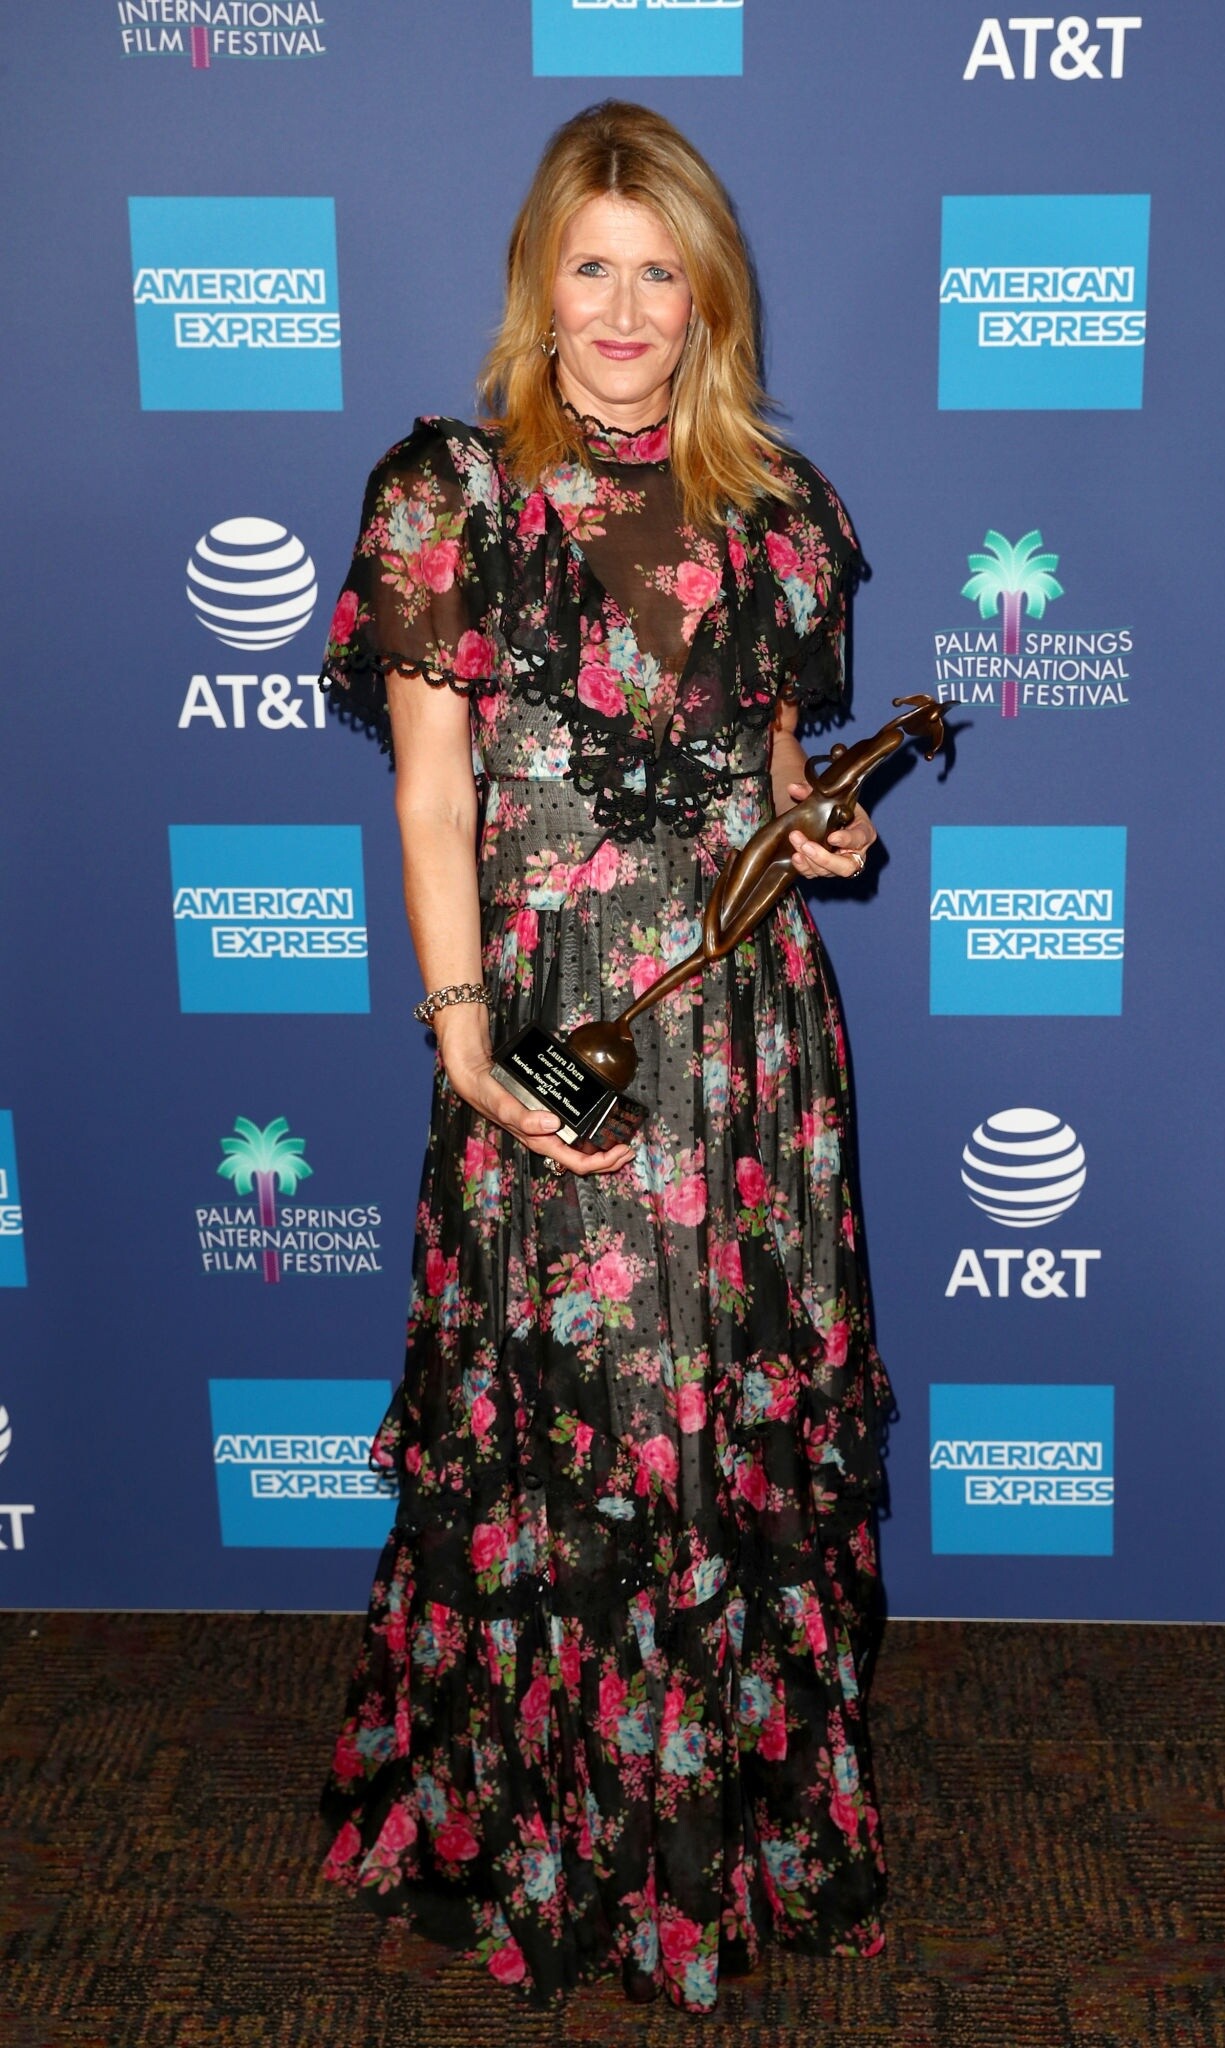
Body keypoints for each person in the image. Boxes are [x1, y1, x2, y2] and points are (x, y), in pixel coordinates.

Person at [317, 99, 890, 2014]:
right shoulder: (448, 497)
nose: (627, 311)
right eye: (593, 268)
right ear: (537, 284)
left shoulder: (781, 513)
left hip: (744, 1035)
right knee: (575, 1425)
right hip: (561, 1017)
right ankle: (544, 1825)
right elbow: (431, 797)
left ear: (708, 297)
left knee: (724, 1421)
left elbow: (774, 775)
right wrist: (464, 1038)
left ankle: (731, 1821)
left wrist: (820, 832)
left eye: (662, 274)